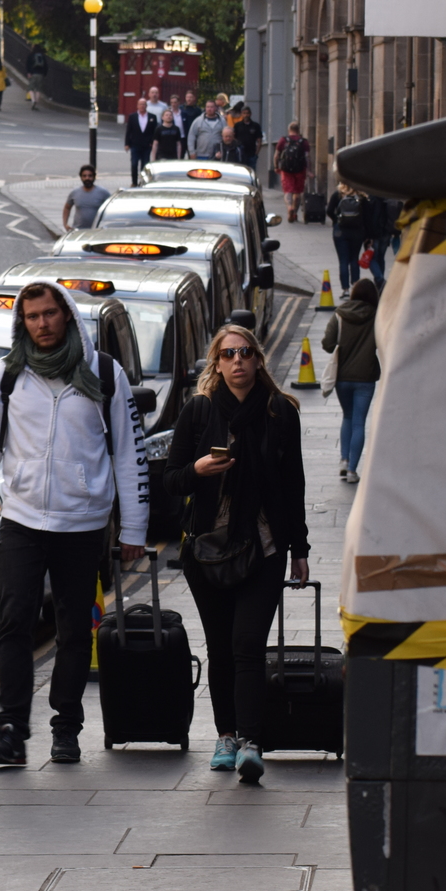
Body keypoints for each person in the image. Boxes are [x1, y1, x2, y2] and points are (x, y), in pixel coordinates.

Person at [0, 281, 149, 766]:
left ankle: (66, 727)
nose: (41, 324)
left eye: (49, 314)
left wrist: (135, 531)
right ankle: (12, 730)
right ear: (22, 321)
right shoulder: (6, 375)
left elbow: (129, 454)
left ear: (66, 315)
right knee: (14, 624)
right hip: (21, 519)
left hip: (82, 524)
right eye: (31, 316)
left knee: (73, 632)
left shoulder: (104, 373)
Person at [165, 326, 309, 785]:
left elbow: (295, 486)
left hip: (264, 545)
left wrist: (299, 550)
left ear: (258, 359)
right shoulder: (199, 411)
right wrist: (199, 469)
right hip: (208, 549)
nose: (238, 361)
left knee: (248, 644)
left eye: (246, 352)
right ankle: (225, 736)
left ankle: (251, 741)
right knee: (220, 647)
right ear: (217, 362)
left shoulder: (279, 412)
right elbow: (170, 479)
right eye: (229, 354)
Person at [321, 277, 379, 483]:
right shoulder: (377, 316)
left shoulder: (340, 315)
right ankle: (353, 471)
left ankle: (344, 460)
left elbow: (327, 344)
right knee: (358, 423)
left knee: (347, 416)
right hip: (366, 377)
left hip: (342, 377)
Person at [327, 181, 369, 295]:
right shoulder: (361, 196)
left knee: (343, 260)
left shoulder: (338, 194)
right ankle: (355, 287)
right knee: (354, 259)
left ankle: (345, 290)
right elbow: (366, 216)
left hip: (340, 231)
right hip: (357, 231)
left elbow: (329, 210)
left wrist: (337, 220)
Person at [274, 122, 310, 222]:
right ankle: (294, 211)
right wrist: (308, 170)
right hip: (300, 170)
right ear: (299, 130)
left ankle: (289, 207)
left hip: (286, 170)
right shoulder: (303, 142)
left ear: (289, 130)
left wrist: (276, 166)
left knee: (288, 191)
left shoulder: (283, 140)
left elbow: (276, 155)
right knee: (297, 192)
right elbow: (307, 157)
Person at [62, 165, 110, 231]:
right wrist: (65, 224)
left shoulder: (103, 193)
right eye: (84, 176)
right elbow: (67, 207)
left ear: (94, 177)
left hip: (97, 230)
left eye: (90, 176)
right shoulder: (75, 193)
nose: (87, 178)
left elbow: (111, 208)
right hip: (78, 230)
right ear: (81, 177)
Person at [123, 97, 156, 185]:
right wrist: (127, 144)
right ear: (137, 106)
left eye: (144, 104)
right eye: (140, 104)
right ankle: (134, 182)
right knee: (134, 164)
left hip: (146, 145)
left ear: (146, 106)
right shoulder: (132, 116)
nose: (142, 106)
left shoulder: (152, 117)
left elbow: (154, 132)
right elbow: (128, 131)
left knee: (144, 165)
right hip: (135, 145)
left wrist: (152, 143)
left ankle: (143, 182)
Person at [234, 104, 264, 170]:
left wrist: (256, 153)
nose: (246, 115)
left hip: (251, 154)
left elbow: (259, 140)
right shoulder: (237, 125)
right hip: (240, 154)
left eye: (247, 113)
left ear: (250, 114)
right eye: (244, 113)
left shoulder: (256, 126)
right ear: (241, 114)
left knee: (251, 172)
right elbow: (234, 139)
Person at [26, 44, 47, 110]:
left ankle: (33, 100)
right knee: (38, 89)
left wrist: (29, 72)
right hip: (40, 74)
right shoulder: (42, 56)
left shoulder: (31, 55)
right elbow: (46, 66)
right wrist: (44, 74)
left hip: (33, 74)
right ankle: (36, 103)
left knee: (30, 88)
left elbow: (27, 64)